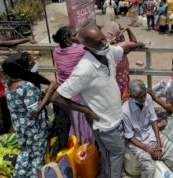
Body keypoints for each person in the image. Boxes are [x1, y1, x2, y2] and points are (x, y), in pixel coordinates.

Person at [51, 26, 144, 178]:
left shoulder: (107, 51)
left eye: (103, 38)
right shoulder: (84, 69)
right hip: (104, 123)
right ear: (86, 46)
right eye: (98, 42)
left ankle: (106, 174)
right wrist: (87, 111)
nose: (104, 43)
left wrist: (137, 45)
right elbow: (56, 97)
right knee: (117, 152)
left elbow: (122, 51)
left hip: (113, 115)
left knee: (107, 153)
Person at [2, 53, 53, 178]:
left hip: (20, 127)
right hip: (33, 128)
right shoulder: (27, 86)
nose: (33, 61)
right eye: (30, 61)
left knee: (25, 153)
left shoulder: (9, 84)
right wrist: (50, 90)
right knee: (37, 156)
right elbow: (35, 112)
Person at [122, 80, 173, 178]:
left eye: (145, 94)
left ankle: (171, 172)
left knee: (172, 149)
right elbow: (130, 137)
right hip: (136, 141)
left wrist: (158, 142)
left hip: (150, 133)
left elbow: (153, 120)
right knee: (149, 167)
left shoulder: (148, 98)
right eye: (140, 97)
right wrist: (148, 149)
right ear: (133, 97)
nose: (144, 98)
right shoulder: (125, 110)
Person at [52, 26, 94, 144]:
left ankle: (77, 143)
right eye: (75, 35)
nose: (78, 36)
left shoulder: (56, 50)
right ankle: (88, 146)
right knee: (85, 124)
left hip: (65, 94)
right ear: (67, 40)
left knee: (75, 125)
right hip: (78, 95)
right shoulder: (79, 50)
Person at [102, 21, 143, 101]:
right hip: (122, 79)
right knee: (123, 98)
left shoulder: (103, 47)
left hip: (110, 80)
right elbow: (134, 42)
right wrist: (128, 29)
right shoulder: (121, 46)